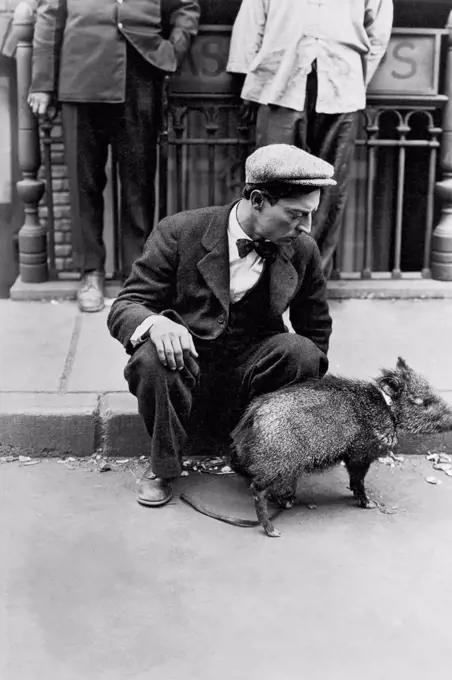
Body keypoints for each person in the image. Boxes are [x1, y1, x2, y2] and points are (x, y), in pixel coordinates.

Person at [107, 143, 334, 507]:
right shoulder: (180, 232)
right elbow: (126, 306)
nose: (305, 227)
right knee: (151, 355)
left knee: (301, 352)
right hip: (185, 372)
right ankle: (164, 467)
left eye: (309, 215)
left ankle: (268, 461)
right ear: (258, 200)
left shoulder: (302, 249)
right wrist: (154, 324)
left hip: (250, 379)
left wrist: (306, 405)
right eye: (295, 215)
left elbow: (316, 326)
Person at [28, 0, 201, 312]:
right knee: (84, 183)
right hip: (80, 76)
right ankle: (89, 272)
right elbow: (49, 18)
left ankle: (138, 277)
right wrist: (42, 83)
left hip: (140, 77)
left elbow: (186, 7)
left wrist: (174, 48)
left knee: (139, 181)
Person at [227, 0, 393, 279]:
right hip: (280, 81)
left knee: (330, 187)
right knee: (269, 183)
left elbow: (378, 31)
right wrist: (248, 81)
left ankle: (311, 279)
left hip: (341, 83)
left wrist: (357, 78)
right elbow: (251, 22)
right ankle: (260, 278)